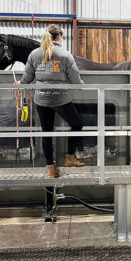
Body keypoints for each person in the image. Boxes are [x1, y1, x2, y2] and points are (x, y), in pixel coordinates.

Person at [17, 24, 86, 178]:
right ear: (60, 37)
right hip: (61, 98)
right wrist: (81, 86)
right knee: (77, 124)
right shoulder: (65, 55)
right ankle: (70, 157)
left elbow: (27, 77)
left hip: (41, 100)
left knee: (47, 132)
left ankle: (50, 168)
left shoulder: (34, 54)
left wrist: (20, 83)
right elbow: (74, 77)